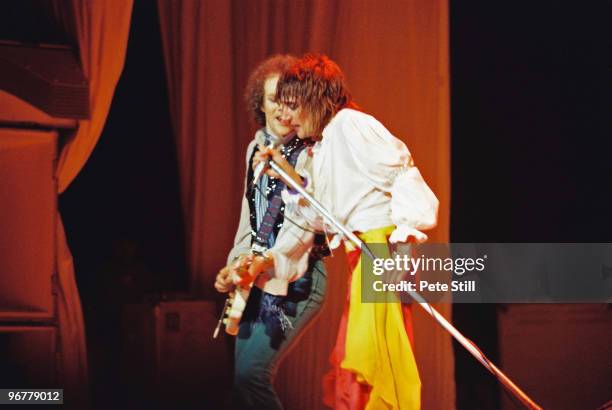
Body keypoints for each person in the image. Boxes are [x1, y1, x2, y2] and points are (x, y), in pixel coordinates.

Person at [249, 53, 439, 410]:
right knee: (354, 355)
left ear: (313, 99)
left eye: (293, 106)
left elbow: (403, 172)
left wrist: (405, 237)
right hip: (364, 257)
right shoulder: (325, 144)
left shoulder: (351, 125)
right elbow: (324, 214)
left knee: (372, 359)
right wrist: (288, 175)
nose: (286, 117)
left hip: (379, 253)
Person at [214, 54, 329, 410]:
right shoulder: (256, 149)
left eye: (291, 101)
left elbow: (308, 224)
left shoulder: (313, 152)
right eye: (274, 100)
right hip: (257, 276)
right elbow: (250, 216)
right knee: (240, 382)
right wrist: (234, 266)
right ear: (259, 104)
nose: (283, 109)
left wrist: (266, 262)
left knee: (251, 375)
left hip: (297, 277)